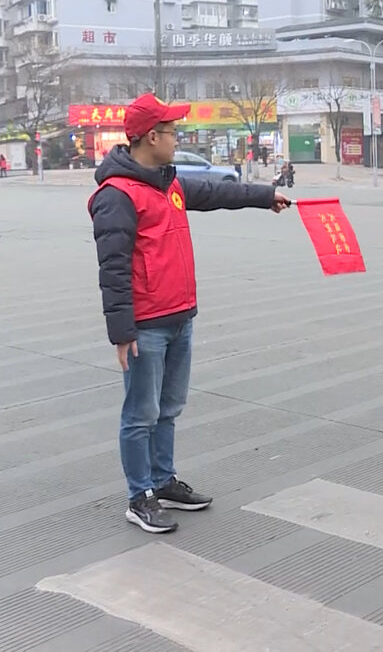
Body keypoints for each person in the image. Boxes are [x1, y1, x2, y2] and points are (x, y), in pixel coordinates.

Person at [88, 93, 291, 533]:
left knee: (169, 408)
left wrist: (264, 196)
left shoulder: (169, 184)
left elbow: (218, 192)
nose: (176, 139)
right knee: (140, 414)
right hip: (146, 326)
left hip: (180, 317)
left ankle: (163, 482)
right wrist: (122, 332)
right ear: (151, 137)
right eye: (171, 132)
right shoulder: (117, 196)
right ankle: (139, 495)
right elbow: (113, 269)